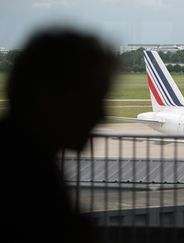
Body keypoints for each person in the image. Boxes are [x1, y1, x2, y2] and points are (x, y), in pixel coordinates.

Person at [0, 28, 118, 243]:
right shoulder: (25, 175)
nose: (102, 115)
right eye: (92, 100)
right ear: (48, 97)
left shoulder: (31, 161)